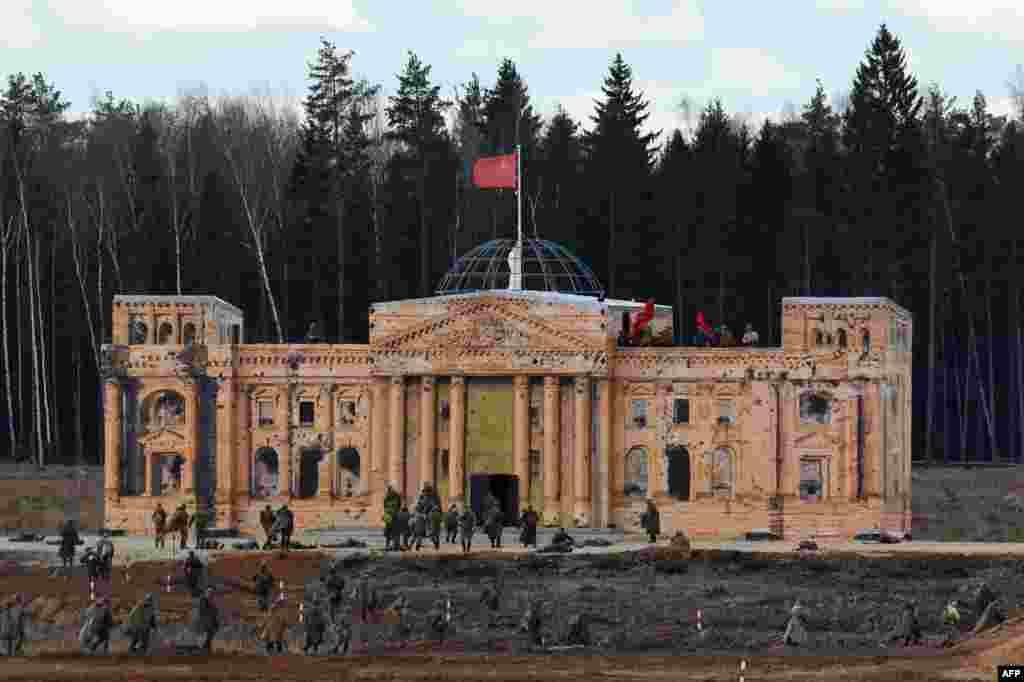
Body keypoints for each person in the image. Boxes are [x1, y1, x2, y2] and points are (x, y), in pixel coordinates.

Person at [192, 587, 220, 653]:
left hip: (209, 625)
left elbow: (214, 614)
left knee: (208, 640)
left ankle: (205, 649)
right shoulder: (203, 601)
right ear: (205, 593)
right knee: (204, 640)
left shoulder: (211, 602)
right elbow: (203, 613)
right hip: (204, 625)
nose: (211, 594)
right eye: (209, 592)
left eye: (212, 592)